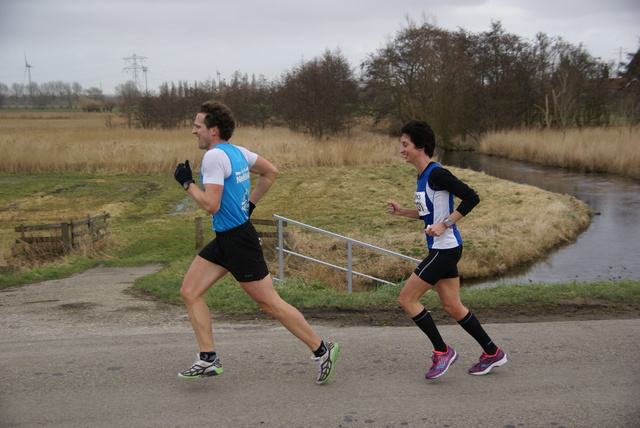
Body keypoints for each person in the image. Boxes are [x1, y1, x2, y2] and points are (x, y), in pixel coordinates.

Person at [173, 100, 339, 384]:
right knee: (189, 291)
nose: (193, 131)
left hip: (238, 241)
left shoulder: (214, 157)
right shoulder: (239, 152)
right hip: (227, 238)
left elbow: (211, 205)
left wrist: (187, 183)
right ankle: (208, 358)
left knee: (270, 304)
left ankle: (323, 349)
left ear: (213, 130)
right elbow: (270, 172)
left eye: (197, 126)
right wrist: (247, 206)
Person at [386, 120, 507, 379]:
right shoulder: (422, 176)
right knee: (452, 306)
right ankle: (492, 352)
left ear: (420, 146)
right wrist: (402, 212)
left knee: (407, 299)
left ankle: (442, 352)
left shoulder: (437, 173)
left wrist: (446, 223)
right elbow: (428, 215)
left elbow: (472, 197)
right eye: (401, 145)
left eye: (405, 145)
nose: (401, 150)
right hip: (445, 248)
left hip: (444, 250)